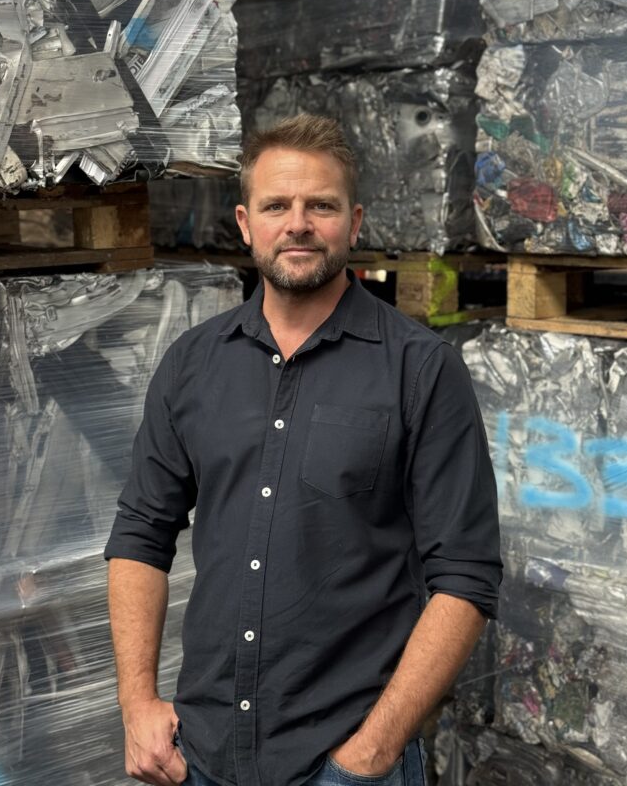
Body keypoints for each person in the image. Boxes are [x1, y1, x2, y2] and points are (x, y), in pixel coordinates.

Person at [104, 114, 501, 786]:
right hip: (203, 759)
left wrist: (369, 754)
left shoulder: (421, 370)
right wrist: (136, 704)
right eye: (276, 206)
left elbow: (465, 576)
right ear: (244, 222)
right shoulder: (193, 365)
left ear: (354, 222)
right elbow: (141, 533)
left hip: (344, 764)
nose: (298, 224)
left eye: (321, 205)